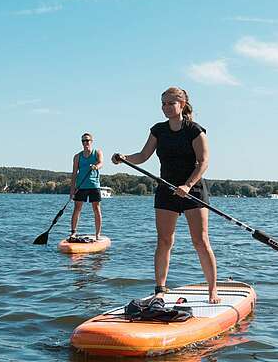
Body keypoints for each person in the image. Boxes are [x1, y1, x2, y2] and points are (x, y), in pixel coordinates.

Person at [113, 87, 219, 304]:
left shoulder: (195, 130)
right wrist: (125, 158)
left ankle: (212, 290)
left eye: (170, 103)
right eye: (163, 104)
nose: (166, 107)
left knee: (200, 241)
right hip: (166, 189)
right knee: (164, 241)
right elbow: (143, 156)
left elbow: (204, 162)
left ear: (182, 104)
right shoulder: (158, 130)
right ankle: (160, 289)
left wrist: (188, 185)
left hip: (193, 189)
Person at [69, 133, 103, 241]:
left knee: (96, 209)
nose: (85, 143)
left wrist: (96, 166)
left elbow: (101, 163)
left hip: (94, 185)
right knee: (77, 209)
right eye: (83, 141)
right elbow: (74, 173)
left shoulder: (97, 152)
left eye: (87, 140)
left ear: (91, 141)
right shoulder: (77, 157)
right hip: (81, 186)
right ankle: (73, 233)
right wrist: (72, 190)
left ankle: (97, 234)